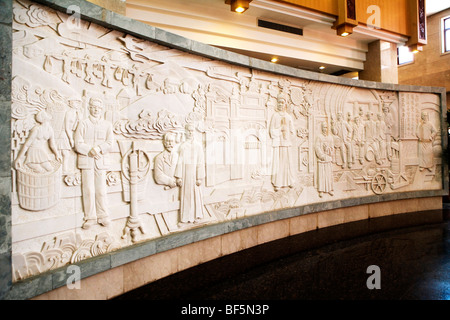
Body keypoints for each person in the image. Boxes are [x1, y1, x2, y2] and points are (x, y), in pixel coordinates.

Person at [74, 97, 114, 229]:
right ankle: (90, 217)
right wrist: (89, 150)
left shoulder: (107, 125)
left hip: (100, 161)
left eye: (98, 107)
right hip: (87, 161)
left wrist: (98, 149)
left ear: (102, 109)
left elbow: (110, 143)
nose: (96, 109)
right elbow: (78, 143)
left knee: (101, 190)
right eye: (94, 107)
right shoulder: (83, 123)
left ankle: (103, 215)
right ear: (89, 108)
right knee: (88, 190)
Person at [175, 123, 205, 225]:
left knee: (196, 196)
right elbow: (180, 161)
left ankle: (197, 216)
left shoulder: (198, 146)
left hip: (195, 175)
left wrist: (199, 177)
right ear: (186, 132)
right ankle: (185, 218)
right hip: (185, 174)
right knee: (186, 196)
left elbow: (201, 161)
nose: (190, 133)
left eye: (192, 131)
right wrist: (179, 177)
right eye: (189, 131)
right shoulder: (183, 146)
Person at [269, 93, 294, 191]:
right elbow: (271, 131)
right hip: (278, 144)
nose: (280, 104)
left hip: (286, 143)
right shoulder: (275, 116)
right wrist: (280, 129)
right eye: (279, 103)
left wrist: (287, 134)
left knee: (287, 163)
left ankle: (289, 181)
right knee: (278, 164)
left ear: (285, 104)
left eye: (282, 103)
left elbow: (293, 131)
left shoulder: (288, 117)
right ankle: (278, 183)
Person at [315, 121, 334, 198]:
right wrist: (321, 155)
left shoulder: (330, 137)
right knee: (322, 174)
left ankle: (329, 189)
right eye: (323, 127)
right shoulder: (319, 137)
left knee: (328, 174)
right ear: (321, 128)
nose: (325, 129)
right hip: (322, 159)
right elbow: (317, 147)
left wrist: (328, 149)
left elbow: (332, 148)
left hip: (328, 158)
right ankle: (321, 190)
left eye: (326, 127)